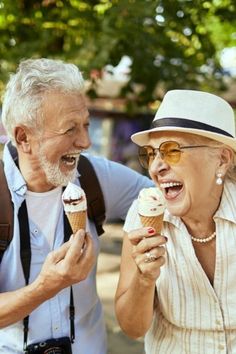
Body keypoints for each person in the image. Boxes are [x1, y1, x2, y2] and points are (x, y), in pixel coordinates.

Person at [0, 58, 153, 354]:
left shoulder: (97, 177)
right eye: (70, 129)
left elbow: (169, 201)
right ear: (23, 137)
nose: (84, 141)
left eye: (85, 124)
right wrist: (46, 286)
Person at [115, 89, 236, 353]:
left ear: (222, 160)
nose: (156, 167)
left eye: (171, 151)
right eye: (151, 153)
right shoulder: (142, 215)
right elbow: (133, 329)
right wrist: (144, 280)